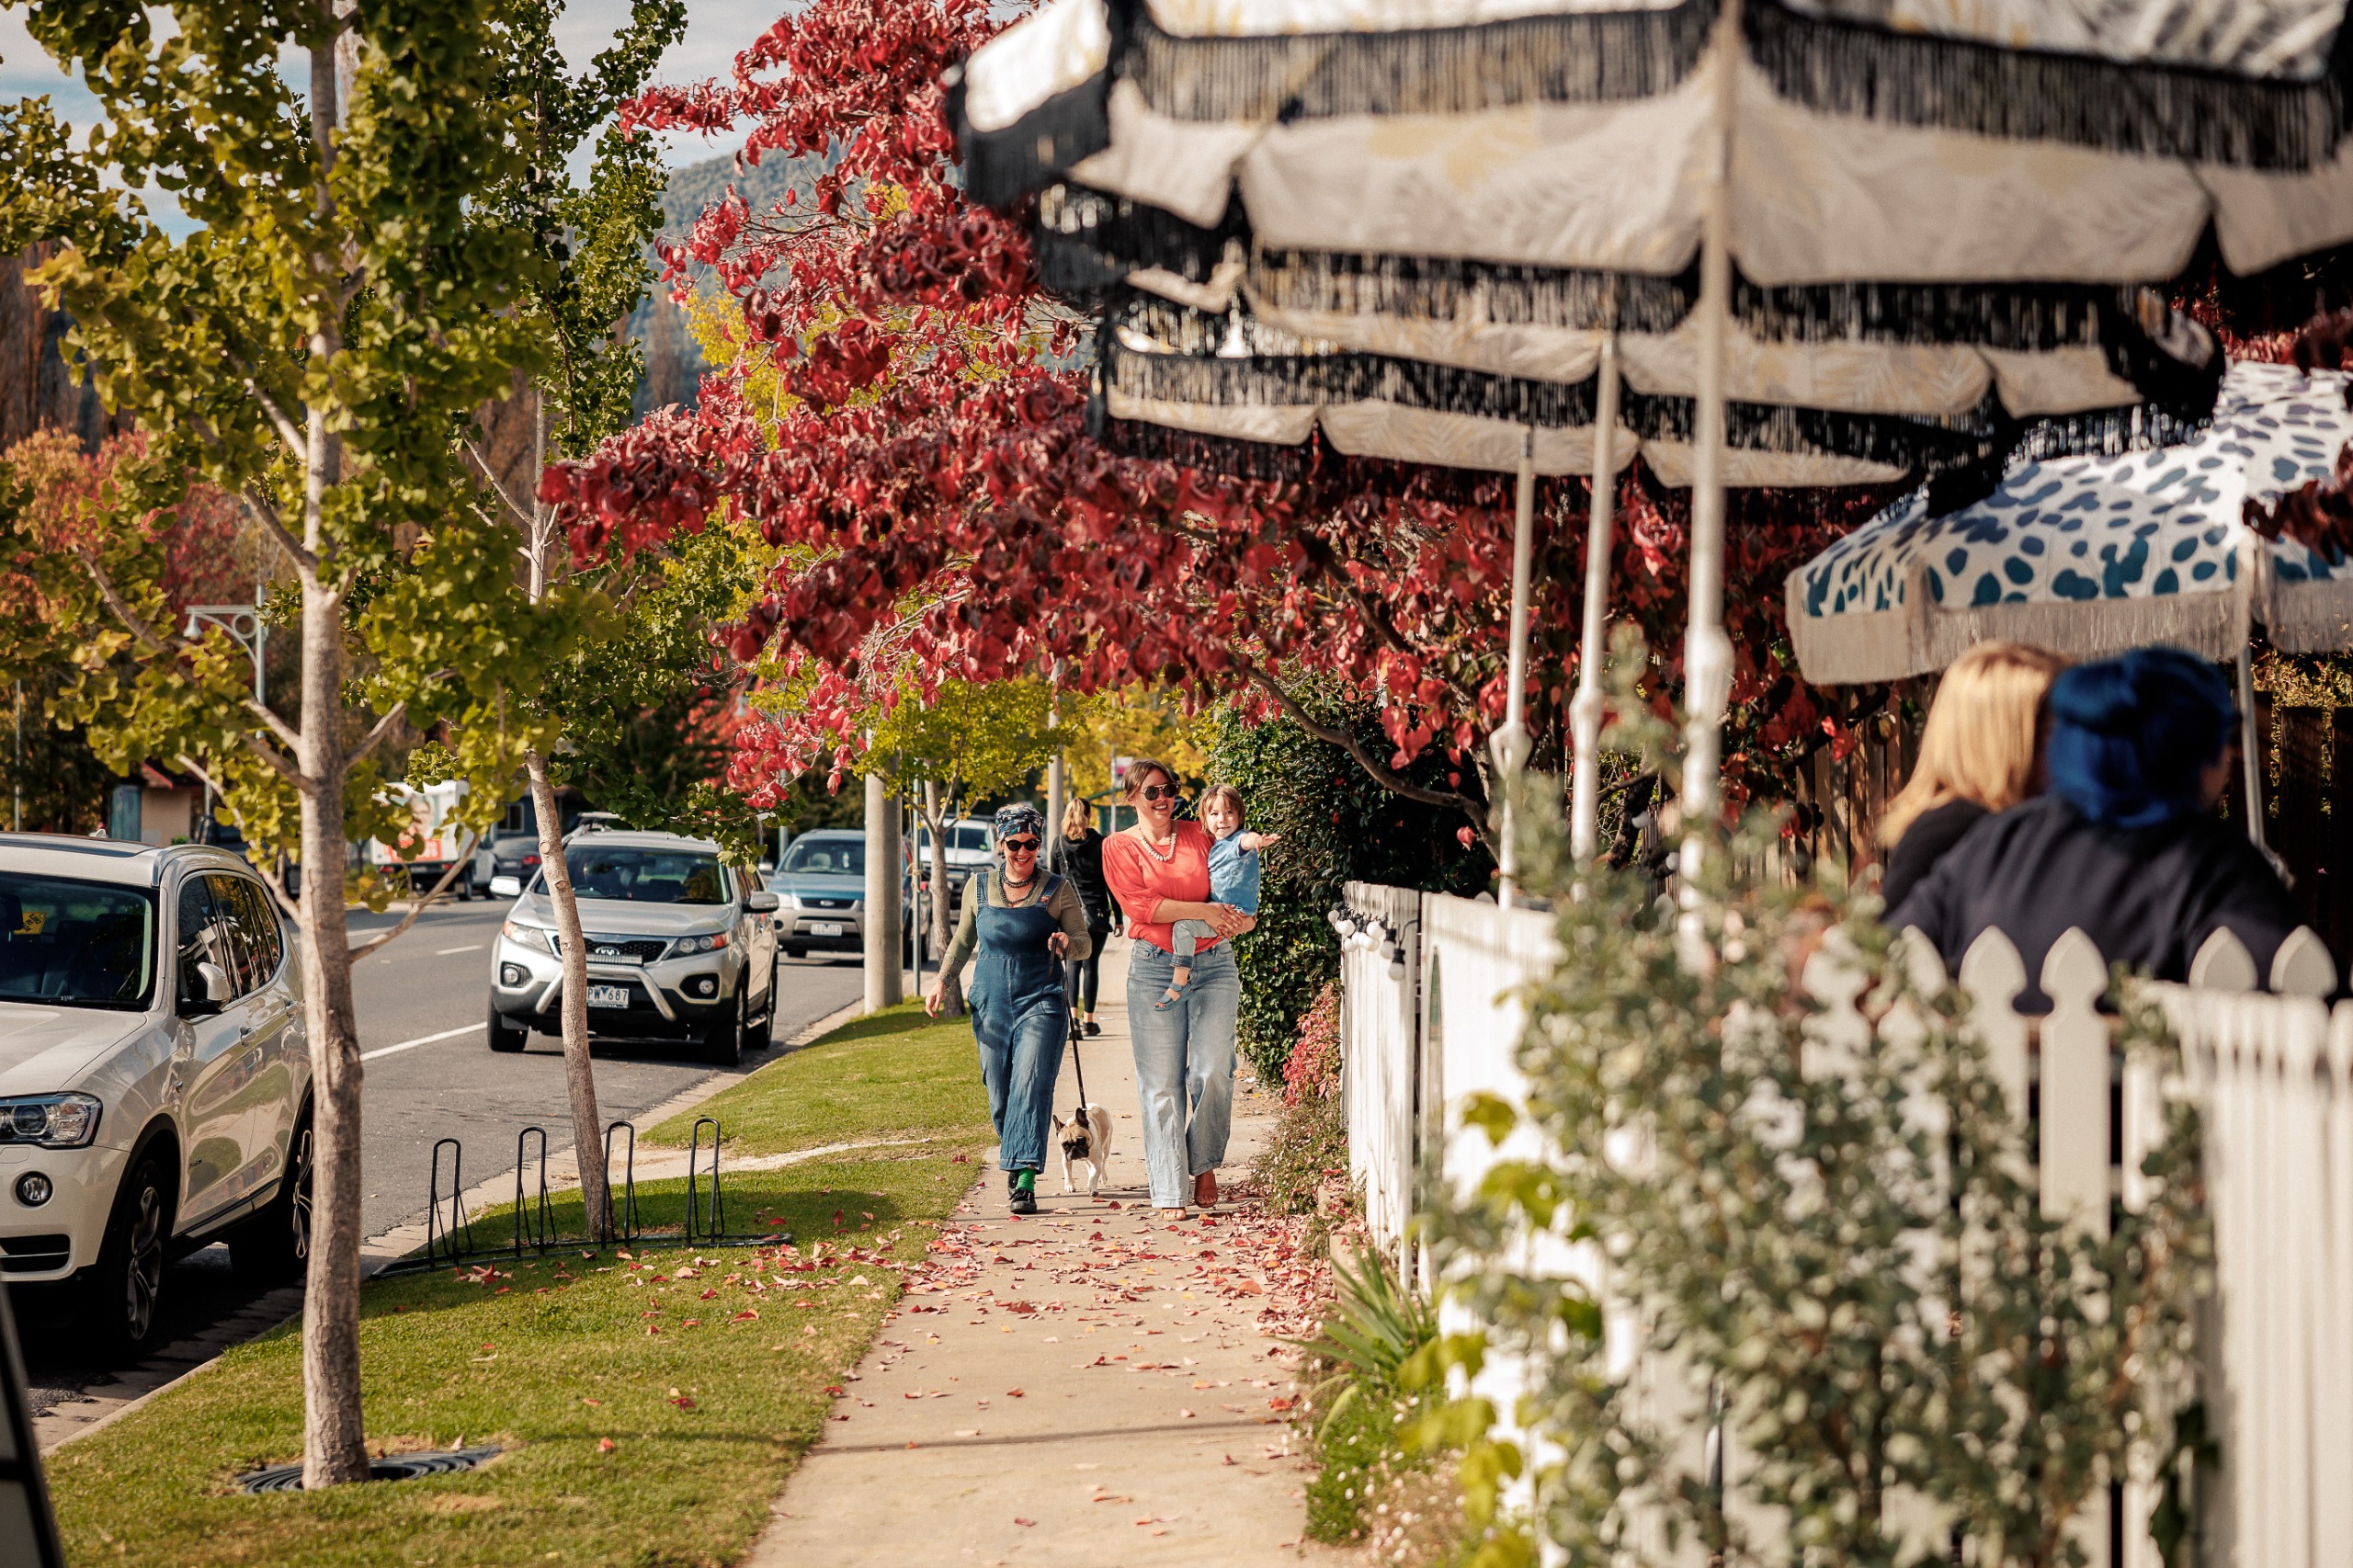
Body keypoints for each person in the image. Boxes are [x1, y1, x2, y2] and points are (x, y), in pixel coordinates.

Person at [1890, 645, 2300, 1006]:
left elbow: (1885, 956)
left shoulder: (1995, 840)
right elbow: (2308, 986)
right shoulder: (2209, 856)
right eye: (2225, 738)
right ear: (2197, 752)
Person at [1100, 761, 1255, 1216]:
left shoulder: (1198, 832)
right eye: (1151, 792)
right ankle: (1170, 1188)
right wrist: (1205, 912)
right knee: (1162, 1085)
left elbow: (1234, 872)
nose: (1163, 798)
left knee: (1212, 1071)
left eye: (1169, 789)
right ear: (1132, 798)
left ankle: (1203, 1161)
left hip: (1213, 964)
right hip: (1153, 969)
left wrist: (1245, 915)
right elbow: (1142, 907)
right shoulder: (1118, 846)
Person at [928, 804, 1094, 1215]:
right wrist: (942, 981)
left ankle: (1023, 1178)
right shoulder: (978, 887)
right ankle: (1016, 1149)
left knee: (1031, 1084)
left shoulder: (1058, 889)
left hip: (1041, 1000)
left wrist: (1066, 944)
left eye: (1032, 844)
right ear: (1001, 844)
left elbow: (1084, 942)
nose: (1023, 853)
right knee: (1000, 1093)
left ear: (1039, 844)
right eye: (1015, 844)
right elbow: (963, 941)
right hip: (991, 1002)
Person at [1876, 642, 2065, 908]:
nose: (2075, 742)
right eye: (2057, 726)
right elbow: (1890, 943)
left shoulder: (2034, 819)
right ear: (2008, 740)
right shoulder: (1950, 832)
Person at [1159, 784, 1278, 1009]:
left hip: (1234, 912)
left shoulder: (1237, 841)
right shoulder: (1216, 844)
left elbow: (1248, 841)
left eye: (1228, 812)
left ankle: (1178, 983)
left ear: (1239, 815)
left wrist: (1259, 841)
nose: (1222, 819)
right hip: (1221, 910)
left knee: (1183, 927)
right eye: (1214, 814)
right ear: (1205, 819)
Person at [1047, 797, 1118, 1037]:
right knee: (1091, 965)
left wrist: (1051, 919)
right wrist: (1118, 917)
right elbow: (1111, 883)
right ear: (1089, 815)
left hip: (1069, 914)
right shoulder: (1100, 842)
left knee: (1072, 965)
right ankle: (1089, 1021)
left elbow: (1053, 885)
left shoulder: (1058, 845)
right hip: (1096, 913)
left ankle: (1073, 1022)